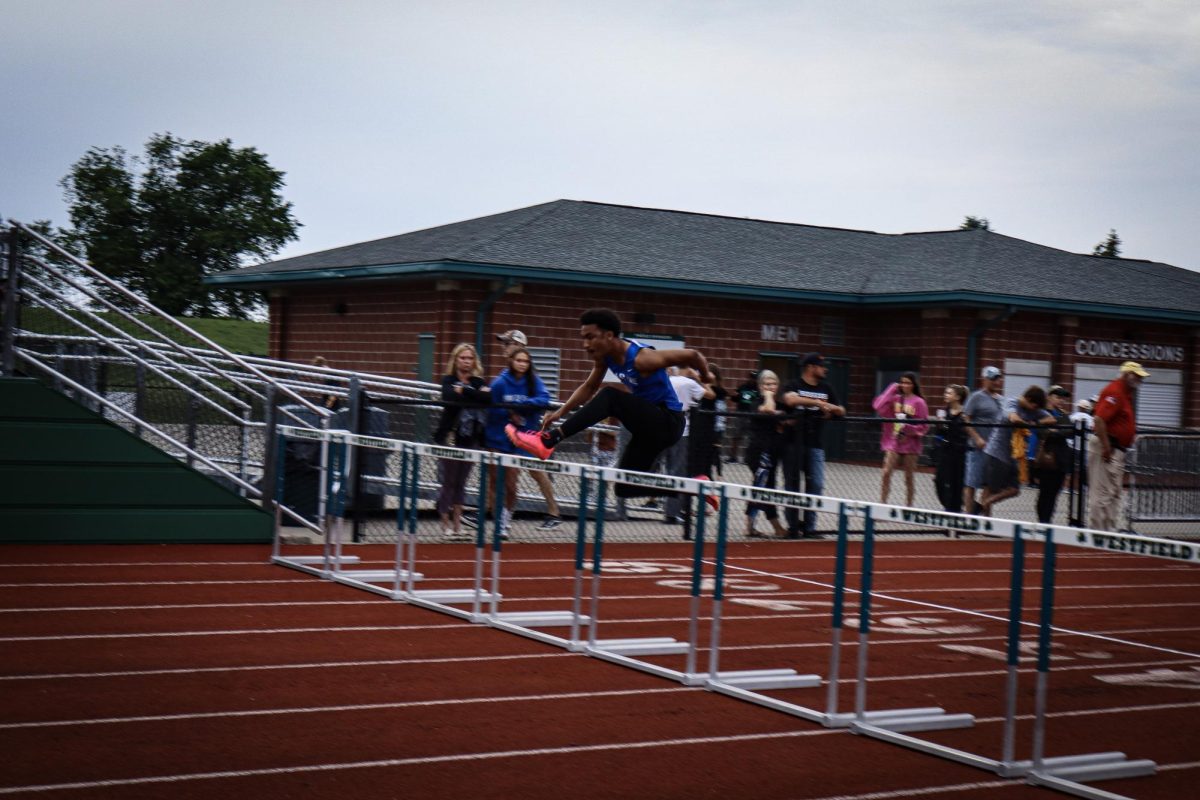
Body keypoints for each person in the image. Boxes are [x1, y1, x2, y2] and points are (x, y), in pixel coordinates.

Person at [506, 308, 718, 512]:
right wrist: (560, 413)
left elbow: (692, 355)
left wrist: (706, 376)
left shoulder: (641, 358)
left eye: (590, 337)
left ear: (608, 335)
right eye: (583, 338)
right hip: (648, 428)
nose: (585, 345)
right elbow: (589, 387)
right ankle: (694, 487)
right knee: (625, 485)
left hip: (668, 422)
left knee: (610, 396)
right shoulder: (605, 357)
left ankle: (548, 440)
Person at [495, 329, 563, 529]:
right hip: (510, 432)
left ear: (520, 346)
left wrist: (521, 405)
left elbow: (543, 399)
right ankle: (498, 513)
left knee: (534, 472)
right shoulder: (505, 374)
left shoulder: (531, 376)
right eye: (504, 343)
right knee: (508, 473)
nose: (504, 347)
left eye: (508, 344)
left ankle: (552, 512)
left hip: (528, 432)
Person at [484, 346, 551, 539]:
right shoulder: (500, 384)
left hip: (520, 440)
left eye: (526, 361)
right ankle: (497, 521)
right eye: (519, 360)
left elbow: (544, 398)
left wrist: (521, 407)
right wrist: (508, 413)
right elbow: (492, 409)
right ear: (511, 361)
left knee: (512, 484)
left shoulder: (533, 382)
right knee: (496, 482)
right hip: (497, 439)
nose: (522, 364)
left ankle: (505, 520)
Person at [779, 353, 845, 537]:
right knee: (792, 484)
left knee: (815, 483)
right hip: (792, 444)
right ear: (810, 367)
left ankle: (809, 527)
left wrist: (830, 408)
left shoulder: (827, 387)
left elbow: (841, 409)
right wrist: (817, 403)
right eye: (821, 366)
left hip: (815, 444)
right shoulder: (793, 385)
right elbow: (790, 399)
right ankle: (793, 526)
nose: (825, 369)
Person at [432, 344, 490, 537]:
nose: (466, 361)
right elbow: (449, 397)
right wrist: (471, 394)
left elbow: (486, 399)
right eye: (462, 358)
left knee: (461, 481)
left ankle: (458, 524)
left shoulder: (476, 381)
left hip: (471, 437)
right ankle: (445, 524)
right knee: (448, 480)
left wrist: (464, 391)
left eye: (470, 358)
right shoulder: (448, 380)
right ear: (455, 360)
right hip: (450, 436)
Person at [1088, 361, 1149, 531]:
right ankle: (1099, 533)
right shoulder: (1115, 391)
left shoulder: (1124, 394)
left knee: (1113, 493)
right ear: (1127, 375)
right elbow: (1099, 420)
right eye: (1137, 376)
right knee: (1102, 493)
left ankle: (1109, 531)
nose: (1140, 380)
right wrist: (1107, 447)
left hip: (1115, 449)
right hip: (1108, 448)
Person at [977, 385, 1054, 516]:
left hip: (1013, 455)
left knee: (1014, 489)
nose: (1035, 410)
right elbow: (1013, 418)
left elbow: (1051, 419)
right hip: (996, 452)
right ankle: (986, 522)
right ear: (1028, 399)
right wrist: (1029, 423)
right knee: (989, 488)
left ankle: (986, 503)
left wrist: (1036, 423)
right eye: (1034, 406)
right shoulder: (1011, 402)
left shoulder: (1033, 410)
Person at [743, 369, 789, 539]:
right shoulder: (756, 403)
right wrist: (768, 397)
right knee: (765, 486)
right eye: (767, 384)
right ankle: (775, 525)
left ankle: (749, 526)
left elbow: (788, 420)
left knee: (760, 486)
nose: (771, 387)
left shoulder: (781, 405)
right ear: (761, 386)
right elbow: (769, 409)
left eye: (774, 384)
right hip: (758, 452)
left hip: (773, 452)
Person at [664, 367, 713, 523]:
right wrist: (699, 379)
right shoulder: (688, 382)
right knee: (678, 471)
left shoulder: (668, 380)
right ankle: (672, 513)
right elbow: (711, 395)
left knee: (670, 469)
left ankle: (674, 509)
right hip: (681, 430)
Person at [873, 372, 929, 507]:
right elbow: (878, 406)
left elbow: (924, 425)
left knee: (908, 477)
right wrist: (892, 388)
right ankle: (883, 503)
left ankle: (909, 506)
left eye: (908, 382)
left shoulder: (919, 402)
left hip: (910, 443)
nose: (905, 385)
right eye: (902, 382)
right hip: (894, 441)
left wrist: (910, 429)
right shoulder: (895, 399)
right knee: (886, 473)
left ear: (914, 384)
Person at [962, 366, 1006, 514]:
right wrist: (977, 438)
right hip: (977, 449)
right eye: (993, 379)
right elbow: (966, 418)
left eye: (998, 379)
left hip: (995, 451)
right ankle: (969, 518)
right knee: (971, 484)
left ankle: (986, 518)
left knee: (989, 485)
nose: (996, 382)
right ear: (985, 379)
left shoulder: (1001, 400)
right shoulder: (976, 397)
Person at [1035, 385, 1074, 524]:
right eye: (1058, 397)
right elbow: (1041, 432)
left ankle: (1048, 521)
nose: (1061, 400)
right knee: (1045, 492)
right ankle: (1042, 521)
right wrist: (1054, 431)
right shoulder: (1042, 413)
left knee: (1054, 494)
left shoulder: (1063, 414)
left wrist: (1054, 431)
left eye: (1062, 398)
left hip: (1061, 460)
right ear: (1049, 397)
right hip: (1046, 458)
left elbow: (1069, 431)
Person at [933, 384, 969, 513]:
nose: (946, 395)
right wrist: (940, 426)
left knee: (956, 483)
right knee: (939, 481)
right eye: (945, 393)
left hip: (959, 453)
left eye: (949, 393)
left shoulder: (964, 414)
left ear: (958, 397)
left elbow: (967, 432)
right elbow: (939, 433)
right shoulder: (943, 412)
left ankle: (955, 510)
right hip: (945, 451)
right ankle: (948, 505)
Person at [727, 371, 760, 463]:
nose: (752, 380)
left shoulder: (758, 390)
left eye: (754, 378)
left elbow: (759, 402)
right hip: (740, 414)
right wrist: (734, 395)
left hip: (752, 416)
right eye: (751, 377)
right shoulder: (742, 387)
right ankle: (733, 457)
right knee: (736, 436)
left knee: (749, 438)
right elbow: (734, 398)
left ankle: (747, 458)